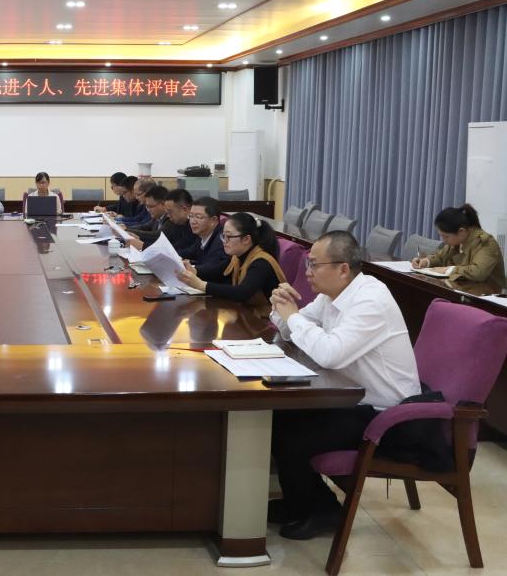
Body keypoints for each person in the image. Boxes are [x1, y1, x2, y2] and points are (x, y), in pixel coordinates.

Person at [268, 231, 420, 540]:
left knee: (295, 437)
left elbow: (330, 354)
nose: (307, 271)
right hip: (349, 397)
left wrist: (292, 318)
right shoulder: (333, 294)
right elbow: (290, 330)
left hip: (385, 414)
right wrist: (281, 306)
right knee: (274, 416)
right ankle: (299, 503)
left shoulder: (370, 301)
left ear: (343, 269)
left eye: (314, 264)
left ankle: (324, 511)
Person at [178, 211, 286, 312]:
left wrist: (201, 285)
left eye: (229, 236)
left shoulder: (261, 262)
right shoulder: (238, 257)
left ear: (246, 239)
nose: (224, 241)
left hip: (267, 319)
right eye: (223, 236)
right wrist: (194, 271)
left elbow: (242, 293)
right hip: (247, 313)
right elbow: (219, 272)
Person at [411, 203, 506, 295]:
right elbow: (440, 257)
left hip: (487, 295)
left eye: (446, 236)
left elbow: (478, 272)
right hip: (461, 290)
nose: (444, 240)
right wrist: (426, 261)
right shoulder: (457, 240)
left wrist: (448, 270)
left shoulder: (486, 243)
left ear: (461, 231)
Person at [125, 188, 197, 251]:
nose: (168, 215)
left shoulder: (193, 227)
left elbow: (175, 250)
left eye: (170, 212)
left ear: (184, 209)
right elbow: (173, 248)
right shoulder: (180, 224)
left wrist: (143, 245)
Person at [177, 196, 229, 282]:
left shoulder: (221, 240)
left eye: (198, 217)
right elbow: (189, 252)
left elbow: (213, 268)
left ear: (213, 220)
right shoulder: (203, 235)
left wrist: (193, 269)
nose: (193, 222)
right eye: (191, 216)